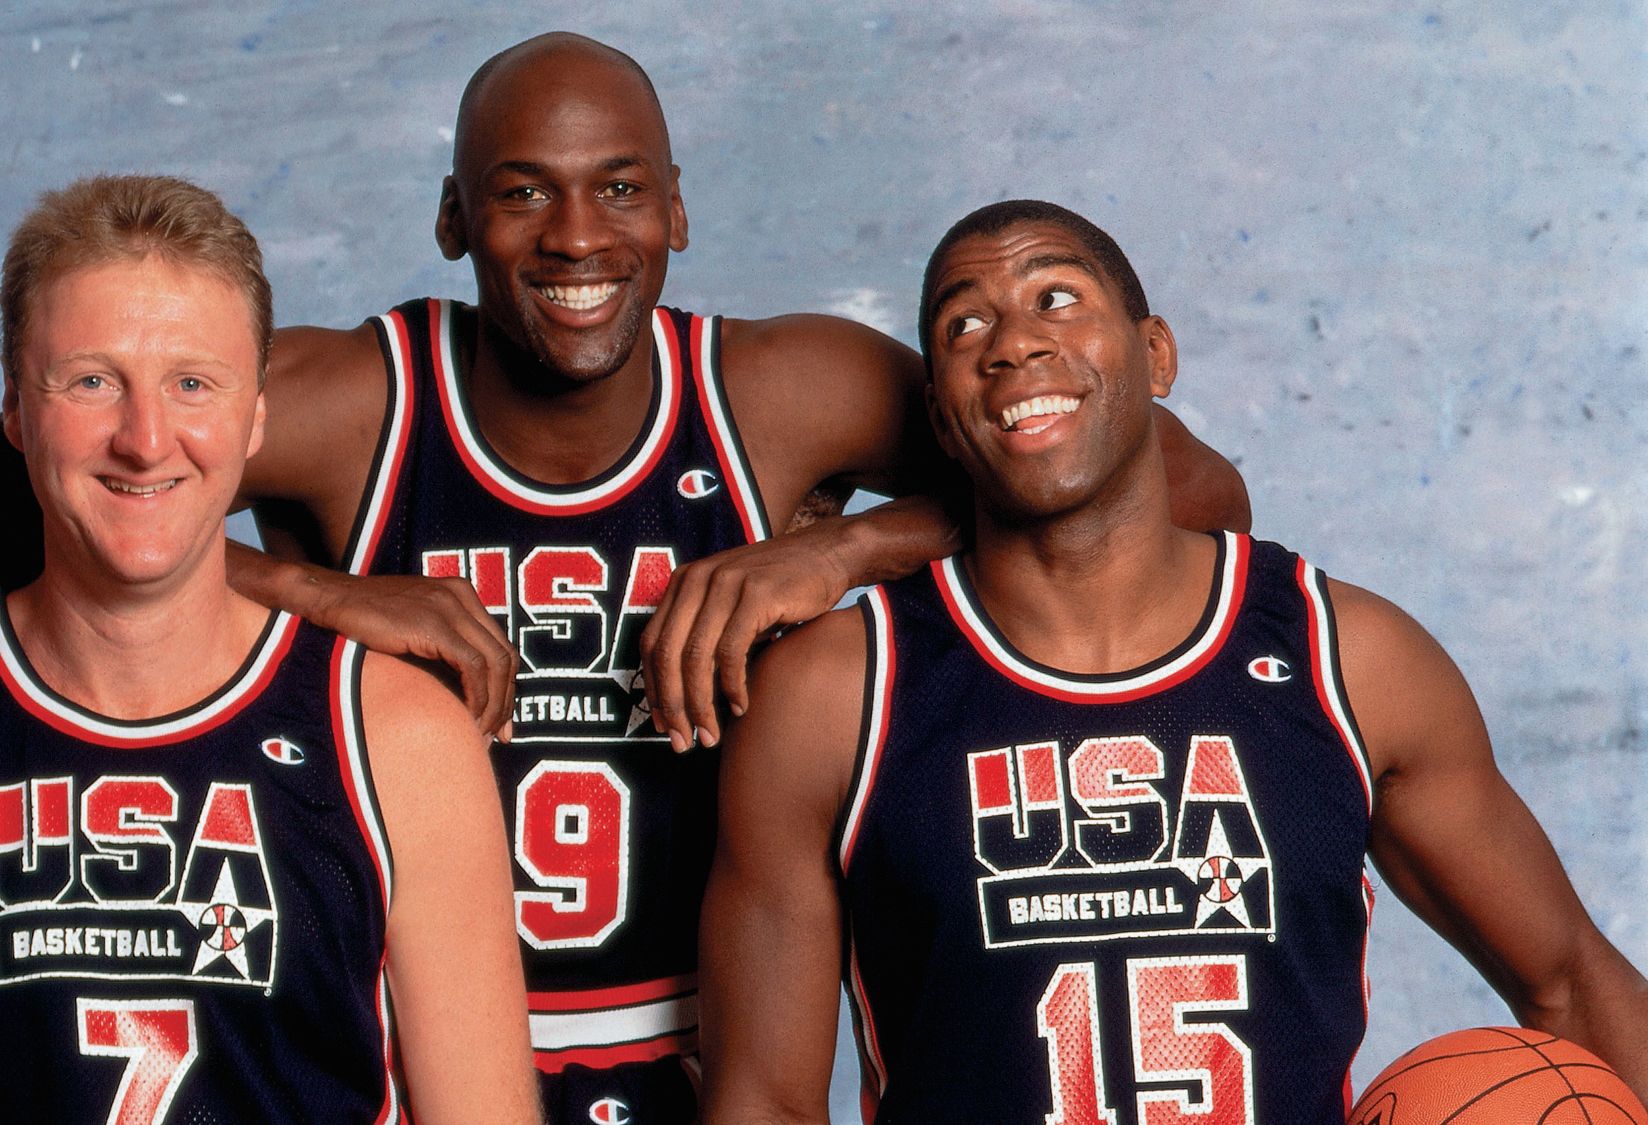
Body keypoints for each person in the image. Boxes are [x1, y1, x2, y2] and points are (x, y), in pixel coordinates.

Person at [0, 36, 1250, 1124]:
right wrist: (321, 595)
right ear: (456, 218)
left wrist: (845, 545)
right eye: (524, 192)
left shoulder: (778, 393)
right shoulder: (357, 399)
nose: (579, 237)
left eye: (620, 188)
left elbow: (1184, 489)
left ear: (679, 209)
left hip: (708, 1062)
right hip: (412, 1062)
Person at [698, 200, 1648, 1122]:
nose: (1014, 341)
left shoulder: (1350, 658)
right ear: (943, 421)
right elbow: (764, 1099)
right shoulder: (833, 695)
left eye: (1058, 297)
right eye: (965, 324)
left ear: (1157, 356)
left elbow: (1568, 979)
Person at [0, 175, 538, 1125]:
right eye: (92, 381)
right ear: (17, 410)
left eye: (192, 383)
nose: (145, 439)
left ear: (257, 418)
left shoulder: (396, 741)